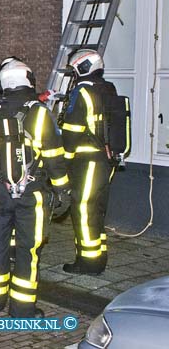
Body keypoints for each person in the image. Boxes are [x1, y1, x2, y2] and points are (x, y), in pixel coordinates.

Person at [0, 60, 70, 318]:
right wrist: (63, 191)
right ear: (28, 79)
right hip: (32, 193)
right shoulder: (38, 112)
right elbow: (53, 156)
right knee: (28, 250)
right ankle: (22, 308)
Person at [61, 49, 124, 275]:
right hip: (106, 160)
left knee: (84, 208)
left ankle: (88, 263)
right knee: (97, 208)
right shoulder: (108, 88)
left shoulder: (82, 91)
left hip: (87, 160)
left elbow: (72, 130)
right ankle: (99, 255)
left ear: (82, 67)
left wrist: (64, 162)